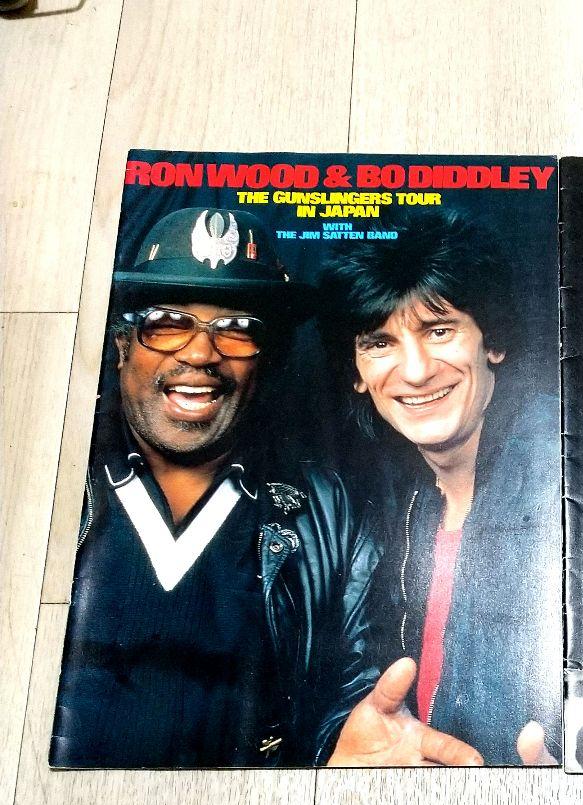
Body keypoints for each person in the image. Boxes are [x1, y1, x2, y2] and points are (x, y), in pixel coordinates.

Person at [52, 206, 481, 769]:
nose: (200, 353)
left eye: (238, 330)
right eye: (167, 323)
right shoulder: (53, 487)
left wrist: (337, 753)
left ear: (271, 359)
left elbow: (349, 693)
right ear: (121, 345)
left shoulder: (329, 512)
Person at [318, 209, 563, 766]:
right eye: (379, 343)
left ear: (493, 341)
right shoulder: (388, 505)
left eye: (439, 330)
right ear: (356, 374)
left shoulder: (564, 470)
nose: (416, 370)